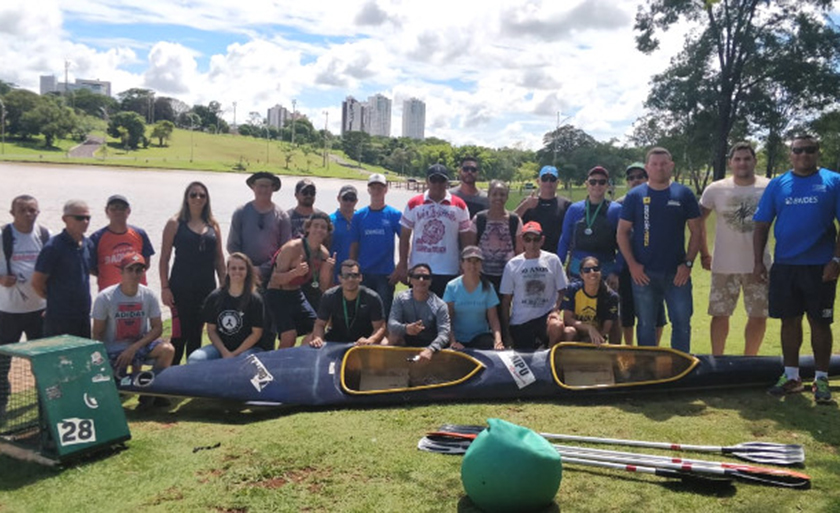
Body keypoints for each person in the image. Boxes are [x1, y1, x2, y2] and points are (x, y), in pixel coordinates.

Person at [754, 135, 840, 404]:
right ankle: (791, 377)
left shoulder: (833, 182)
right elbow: (762, 224)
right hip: (786, 266)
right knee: (789, 320)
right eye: (798, 150)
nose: (804, 155)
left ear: (817, 152)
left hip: (820, 266)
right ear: (790, 154)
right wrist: (758, 261)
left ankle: (822, 379)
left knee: (819, 322)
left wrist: (836, 261)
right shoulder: (778, 184)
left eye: (809, 150)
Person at [617, 147, 701, 353]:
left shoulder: (683, 193)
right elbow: (622, 233)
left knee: (681, 323)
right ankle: (648, 370)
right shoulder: (635, 196)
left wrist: (688, 263)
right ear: (648, 168)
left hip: (677, 273)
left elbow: (697, 232)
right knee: (645, 325)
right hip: (643, 274)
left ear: (671, 165)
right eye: (654, 164)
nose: (659, 168)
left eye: (664, 163)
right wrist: (633, 265)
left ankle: (680, 368)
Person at [698, 142, 770, 356]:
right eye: (737, 159)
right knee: (720, 315)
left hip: (759, 266)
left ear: (754, 161)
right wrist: (704, 253)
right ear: (730, 162)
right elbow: (697, 222)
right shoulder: (715, 189)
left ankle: (750, 360)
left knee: (758, 315)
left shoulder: (769, 187)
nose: (742, 163)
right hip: (723, 265)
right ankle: (718, 360)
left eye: (747, 158)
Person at [159, 182, 226, 365]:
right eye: (193, 195)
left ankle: (191, 377)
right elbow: (164, 258)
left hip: (206, 288)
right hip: (180, 287)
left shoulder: (213, 225)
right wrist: (165, 287)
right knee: (179, 334)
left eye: (202, 195)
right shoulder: (175, 223)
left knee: (197, 333)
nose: (197, 198)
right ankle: (169, 378)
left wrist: (224, 286)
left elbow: (219, 259)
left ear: (207, 199)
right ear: (186, 198)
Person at [0, 195, 49, 416]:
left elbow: (52, 270)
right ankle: (1, 404)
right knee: (2, 363)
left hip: (39, 310)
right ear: (12, 213)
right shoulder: (3, 236)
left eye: (33, 210)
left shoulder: (44, 234)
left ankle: (46, 403)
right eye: (23, 211)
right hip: (7, 311)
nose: (29, 215)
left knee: (42, 360)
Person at [92, 253, 174, 378]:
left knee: (168, 350)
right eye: (129, 270)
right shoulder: (105, 298)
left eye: (138, 271)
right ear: (121, 272)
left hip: (139, 346)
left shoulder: (149, 295)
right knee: (119, 387)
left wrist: (134, 348)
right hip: (114, 350)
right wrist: (101, 362)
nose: (134, 275)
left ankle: (147, 389)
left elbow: (157, 328)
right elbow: (97, 333)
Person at [397, 164, 472, 298]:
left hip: (448, 269)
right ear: (427, 181)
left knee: (446, 312)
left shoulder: (459, 205)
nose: (437, 184)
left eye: (441, 180)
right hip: (419, 269)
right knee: (418, 312)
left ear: (447, 182)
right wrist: (403, 264)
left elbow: (466, 239)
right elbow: (404, 237)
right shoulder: (413, 203)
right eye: (434, 180)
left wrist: (465, 264)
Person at [265, 212, 336, 349]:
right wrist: (295, 273)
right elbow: (275, 278)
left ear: (327, 232)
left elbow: (322, 287)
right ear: (308, 228)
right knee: (289, 336)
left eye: (323, 227)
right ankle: (279, 366)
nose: (319, 230)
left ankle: (301, 357)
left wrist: (327, 271)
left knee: (317, 330)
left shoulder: (324, 254)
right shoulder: (292, 248)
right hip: (277, 293)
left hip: (297, 294)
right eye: (316, 226)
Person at [615, 163, 667, 346]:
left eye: (640, 176)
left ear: (647, 177)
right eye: (631, 177)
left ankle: (655, 349)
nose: (635, 180)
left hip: (653, 264)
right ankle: (629, 349)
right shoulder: (619, 204)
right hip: (627, 264)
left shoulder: (659, 199)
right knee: (627, 310)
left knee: (657, 311)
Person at [188, 253, 269, 363]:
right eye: (233, 268)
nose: (237, 272)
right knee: (195, 359)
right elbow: (211, 330)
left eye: (241, 268)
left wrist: (235, 354)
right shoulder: (215, 297)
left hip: (249, 349)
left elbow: (256, 333)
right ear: (228, 270)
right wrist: (224, 352)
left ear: (247, 271)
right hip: (220, 347)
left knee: (242, 361)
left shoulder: (255, 299)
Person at [499, 221, 568, 350]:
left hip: (544, 318)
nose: (532, 244)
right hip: (521, 321)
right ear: (522, 240)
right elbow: (506, 301)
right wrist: (507, 333)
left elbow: (563, 290)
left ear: (542, 240)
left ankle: (549, 357)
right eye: (528, 239)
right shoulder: (512, 265)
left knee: (557, 326)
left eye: (536, 239)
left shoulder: (553, 260)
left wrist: (556, 309)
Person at [32, 200, 94, 338]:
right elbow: (37, 282)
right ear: (65, 219)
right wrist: (54, 300)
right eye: (79, 218)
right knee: (58, 357)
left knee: (81, 356)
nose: (84, 221)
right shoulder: (53, 247)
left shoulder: (88, 244)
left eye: (87, 218)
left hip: (83, 313)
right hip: (59, 317)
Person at [350, 173, 403, 320]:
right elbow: (354, 245)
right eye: (373, 187)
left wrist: (400, 268)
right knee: (362, 313)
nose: (377, 190)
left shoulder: (394, 214)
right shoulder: (359, 216)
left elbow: (405, 241)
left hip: (385, 274)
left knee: (383, 313)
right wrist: (352, 269)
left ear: (386, 189)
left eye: (380, 187)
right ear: (368, 190)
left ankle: (383, 342)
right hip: (364, 272)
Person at [227, 171, 292, 286]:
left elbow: (285, 250)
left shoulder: (282, 216)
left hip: (272, 277)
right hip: (243, 274)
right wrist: (247, 267)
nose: (264, 190)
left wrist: (262, 270)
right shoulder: (240, 213)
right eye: (260, 186)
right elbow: (232, 245)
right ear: (253, 187)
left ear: (273, 188)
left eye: (267, 186)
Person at [557, 166, 622, 279]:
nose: (597, 185)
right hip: (578, 271)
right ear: (587, 184)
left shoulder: (616, 210)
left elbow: (624, 243)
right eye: (593, 182)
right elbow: (565, 239)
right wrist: (558, 267)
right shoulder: (574, 209)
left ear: (607, 185)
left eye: (602, 182)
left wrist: (616, 271)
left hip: (605, 270)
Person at [309, 259, 387, 347]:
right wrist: (318, 338)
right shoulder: (329, 296)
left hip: (363, 339)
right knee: (307, 340)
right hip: (336, 337)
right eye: (346, 276)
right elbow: (320, 324)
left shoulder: (372, 297)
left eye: (354, 275)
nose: (350, 279)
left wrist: (370, 340)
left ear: (360, 277)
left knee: (385, 343)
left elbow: (380, 327)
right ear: (339, 278)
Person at [89, 195, 155, 291]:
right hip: (109, 293)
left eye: (122, 208)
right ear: (107, 211)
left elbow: (146, 263)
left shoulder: (140, 234)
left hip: (137, 292)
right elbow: (90, 267)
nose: (118, 211)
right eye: (114, 208)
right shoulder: (96, 238)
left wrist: (133, 275)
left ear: (128, 211)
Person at [443, 247, 503, 350]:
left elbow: (493, 319)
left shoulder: (488, 287)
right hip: (458, 339)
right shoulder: (452, 286)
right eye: (469, 261)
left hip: (480, 338)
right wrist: (453, 342)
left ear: (481, 264)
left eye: (476, 261)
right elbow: (448, 319)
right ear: (462, 263)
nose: (473, 265)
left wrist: (498, 341)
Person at [469, 180, 523, 294]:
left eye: (502, 194)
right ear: (488, 196)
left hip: (507, 275)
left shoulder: (515, 220)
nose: (498, 198)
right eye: (494, 194)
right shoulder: (479, 219)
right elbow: (471, 248)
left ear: (507, 197)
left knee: (504, 307)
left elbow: (519, 250)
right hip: (482, 275)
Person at [388, 263, 451, 361]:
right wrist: (406, 328)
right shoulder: (400, 298)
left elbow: (444, 333)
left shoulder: (440, 305)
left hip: (429, 343)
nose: (421, 280)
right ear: (411, 280)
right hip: (406, 339)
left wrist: (431, 349)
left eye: (425, 277)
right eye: (417, 277)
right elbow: (391, 324)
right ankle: (392, 369)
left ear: (430, 281)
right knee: (392, 337)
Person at [560, 256, 619, 346]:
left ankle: (614, 357)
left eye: (596, 269)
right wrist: (589, 328)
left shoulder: (610, 296)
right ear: (581, 274)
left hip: (597, 334)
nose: (592, 273)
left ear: (601, 271)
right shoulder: (573, 290)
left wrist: (596, 337)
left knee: (616, 324)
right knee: (569, 332)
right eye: (587, 270)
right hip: (577, 331)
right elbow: (567, 319)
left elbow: (607, 327)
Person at [514, 165, 572, 255]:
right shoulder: (528, 201)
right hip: (530, 254)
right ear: (538, 181)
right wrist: (525, 206)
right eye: (545, 179)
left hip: (555, 255)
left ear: (558, 182)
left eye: (552, 179)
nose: (548, 183)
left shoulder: (566, 204)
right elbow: (511, 222)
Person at [329, 185, 358, 285]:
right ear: (338, 198)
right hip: (335, 274)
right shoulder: (329, 220)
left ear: (356, 201)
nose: (348, 202)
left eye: (352, 199)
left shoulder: (361, 220)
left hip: (356, 275)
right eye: (345, 198)